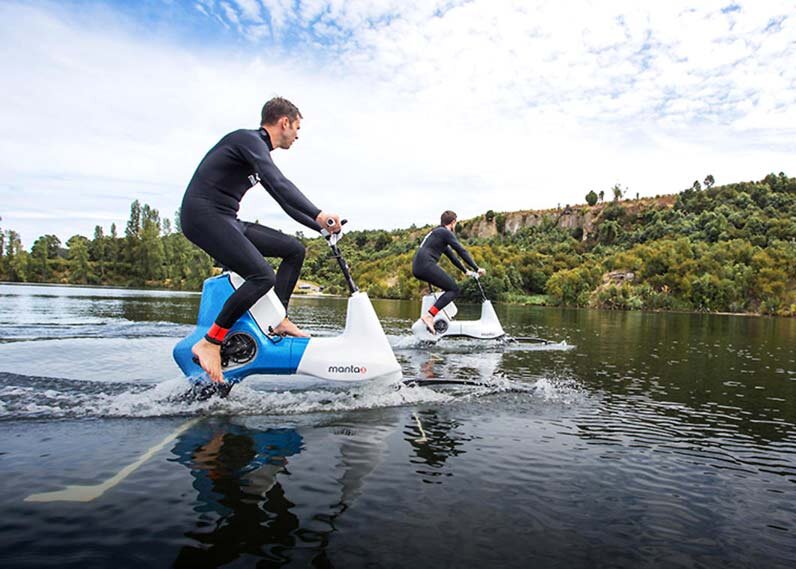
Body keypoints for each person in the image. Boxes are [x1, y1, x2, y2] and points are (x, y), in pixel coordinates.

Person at [181, 97, 340, 382]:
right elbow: (280, 183)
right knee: (262, 276)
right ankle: (210, 342)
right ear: (284, 122)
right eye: (297, 128)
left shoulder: (257, 154)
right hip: (203, 216)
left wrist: (320, 228)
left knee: (293, 249)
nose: (298, 135)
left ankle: (277, 319)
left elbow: (284, 201)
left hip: (227, 218)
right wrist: (319, 214)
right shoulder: (248, 140)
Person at [411, 210, 485, 334]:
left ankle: (432, 323)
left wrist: (465, 271)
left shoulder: (437, 233)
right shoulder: (445, 232)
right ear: (453, 222)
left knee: (448, 288)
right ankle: (429, 316)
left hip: (418, 267)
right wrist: (477, 268)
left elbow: (452, 257)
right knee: (454, 289)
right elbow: (461, 250)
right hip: (425, 265)